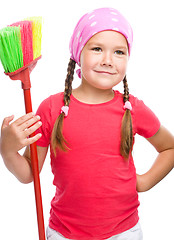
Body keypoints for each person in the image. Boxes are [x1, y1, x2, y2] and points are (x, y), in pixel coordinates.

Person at [0, 7, 174, 240]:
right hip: (64, 232)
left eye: (119, 52)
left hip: (123, 232)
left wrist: (143, 182)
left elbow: (169, 147)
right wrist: (8, 149)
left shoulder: (131, 108)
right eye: (97, 49)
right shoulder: (51, 109)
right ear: (78, 53)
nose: (108, 60)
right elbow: (29, 173)